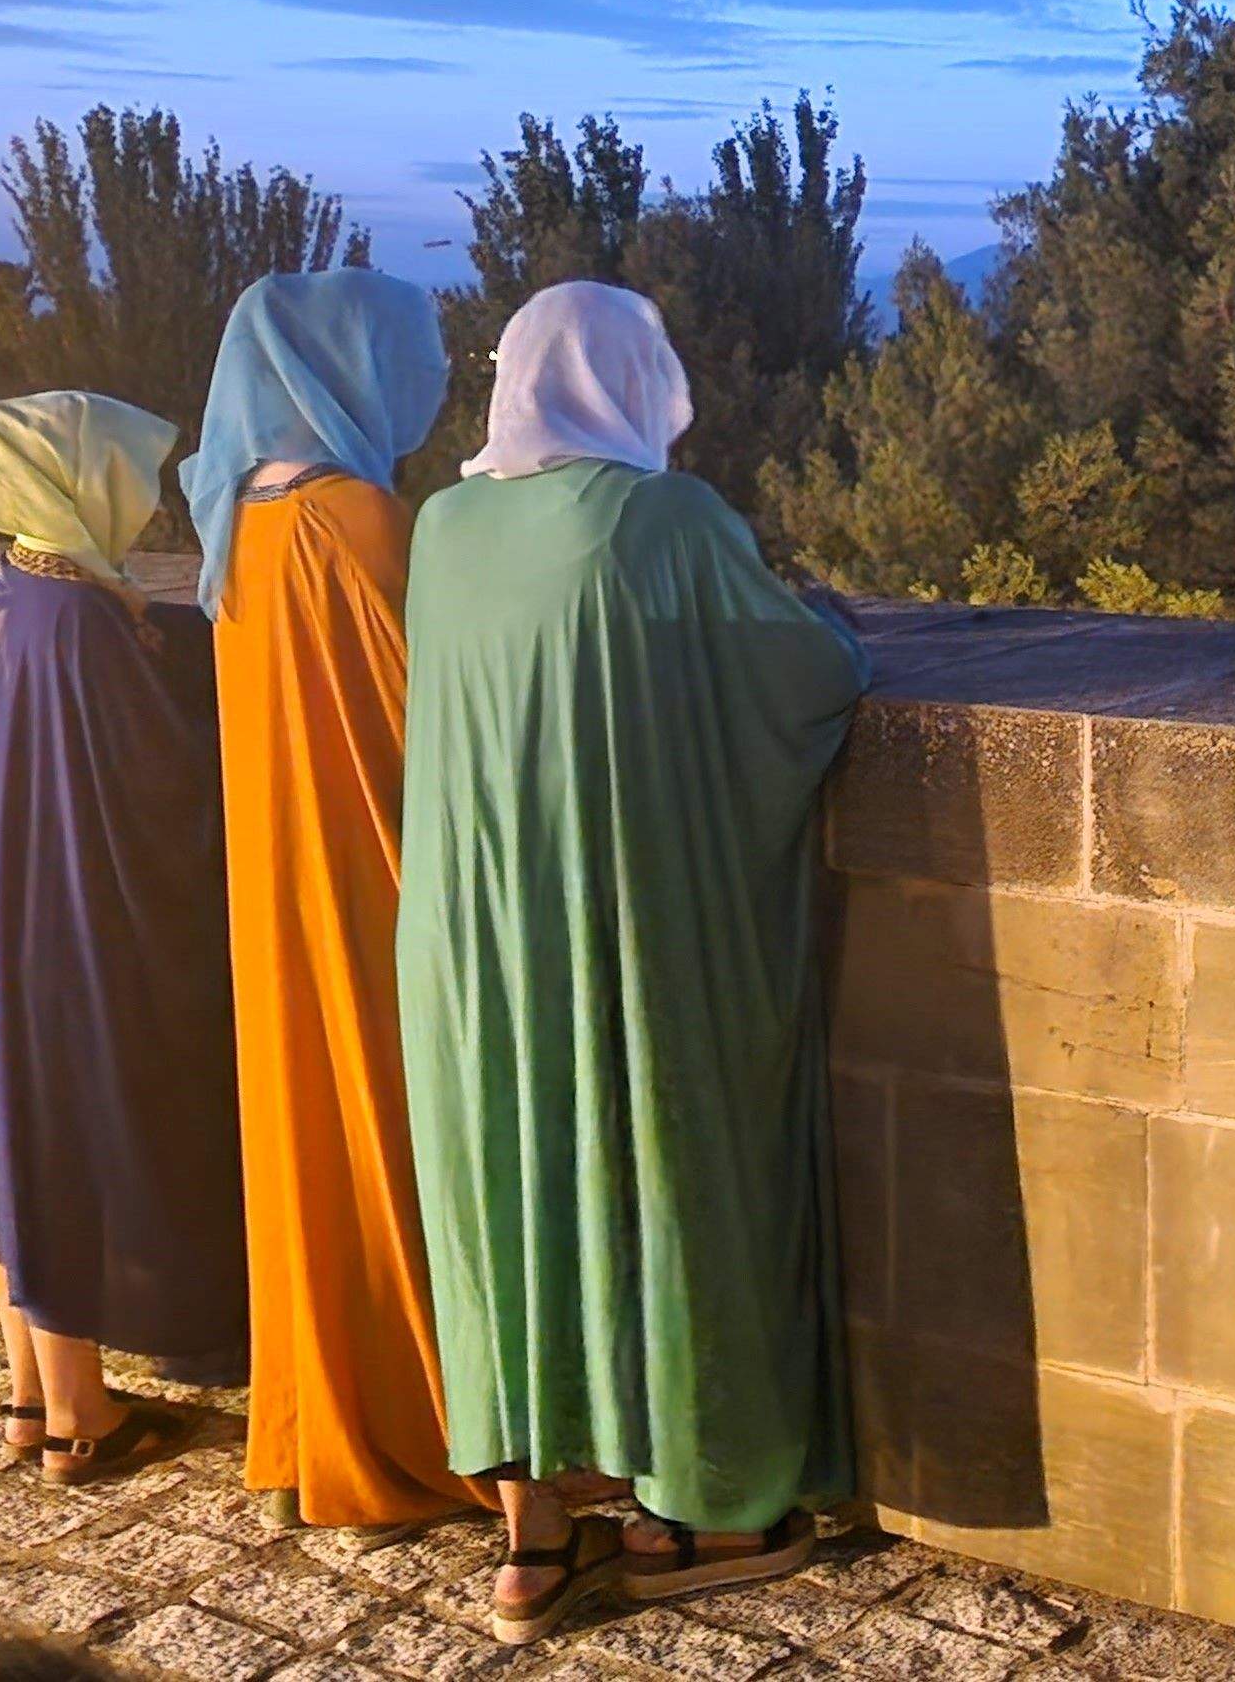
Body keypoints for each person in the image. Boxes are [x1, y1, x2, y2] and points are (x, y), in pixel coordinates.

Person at [394, 282, 870, 1645]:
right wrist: (836, 624)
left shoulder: (443, 525)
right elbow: (801, 679)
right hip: (621, 926)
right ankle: (706, 1504)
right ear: (634, 378)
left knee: (506, 1196)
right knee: (667, 1177)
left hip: (471, 936)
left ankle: (532, 1542)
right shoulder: (662, 520)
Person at [181, 268, 490, 1541]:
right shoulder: (361, 516)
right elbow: (457, 704)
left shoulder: (233, 524)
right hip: (378, 884)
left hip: (279, 890)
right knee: (400, 1136)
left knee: (309, 1123)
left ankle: (322, 1416)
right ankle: (418, 1426)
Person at [0, 390, 246, 1485]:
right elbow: (161, 765)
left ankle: (34, 1392)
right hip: (66, 920)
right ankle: (81, 1421)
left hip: (8, 910)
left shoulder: (13, 581)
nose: (146, 492)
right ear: (76, 480)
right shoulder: (75, 623)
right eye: (126, 472)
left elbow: (118, 639)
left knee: (28, 1137)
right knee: (60, 1141)